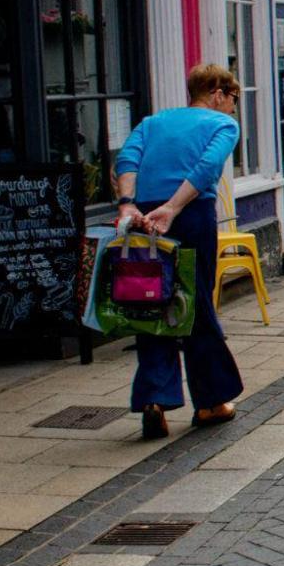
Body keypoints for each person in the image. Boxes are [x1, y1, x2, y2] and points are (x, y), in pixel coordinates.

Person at [112, 64, 246, 440]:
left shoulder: (152, 122)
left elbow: (127, 159)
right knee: (193, 304)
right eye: (233, 99)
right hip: (187, 216)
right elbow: (206, 169)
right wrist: (173, 208)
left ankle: (154, 399)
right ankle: (210, 402)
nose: (234, 109)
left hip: (143, 217)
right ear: (217, 93)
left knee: (150, 303)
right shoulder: (222, 126)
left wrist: (127, 205)